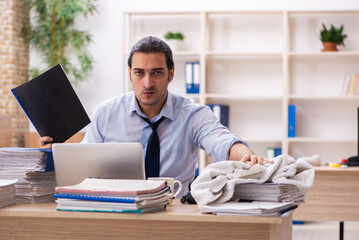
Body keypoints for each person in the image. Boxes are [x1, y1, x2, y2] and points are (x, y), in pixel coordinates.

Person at [40, 36, 272, 197]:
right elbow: (84, 162)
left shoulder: (192, 114)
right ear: (130, 73)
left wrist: (247, 156)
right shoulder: (107, 112)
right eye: (139, 73)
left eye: (157, 73)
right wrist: (55, 155)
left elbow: (220, 139)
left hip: (176, 211)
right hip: (119, 210)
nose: (147, 83)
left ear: (171, 74)